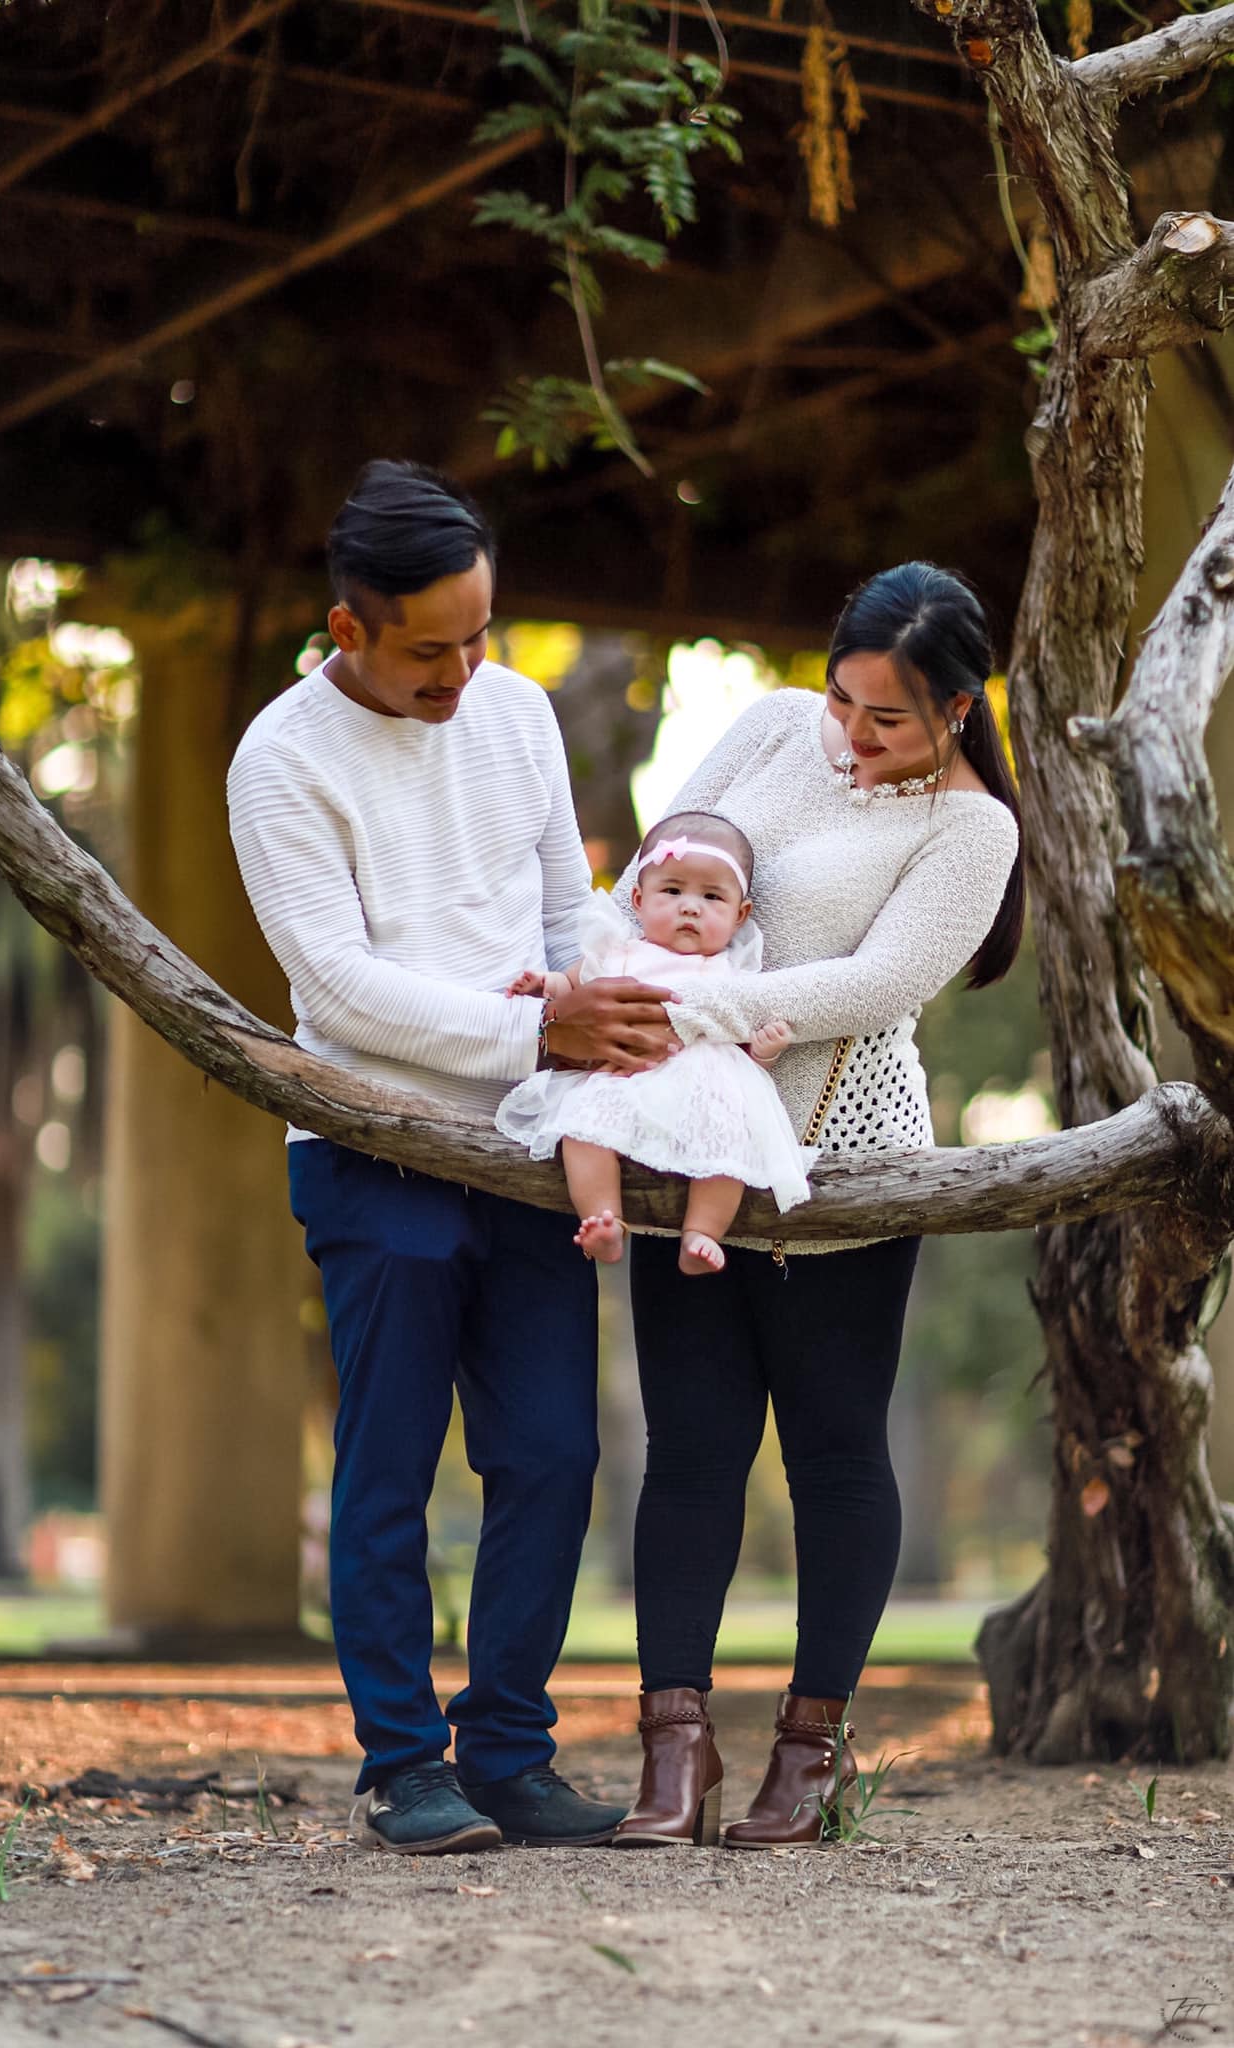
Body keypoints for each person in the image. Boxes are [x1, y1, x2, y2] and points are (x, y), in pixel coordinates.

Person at [227, 459, 675, 1855]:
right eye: (430, 649)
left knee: (548, 1455)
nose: (463, 672)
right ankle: (398, 1767)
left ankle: (506, 1755)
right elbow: (339, 991)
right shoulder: (280, 759)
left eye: (479, 635)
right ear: (347, 628)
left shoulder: (519, 712)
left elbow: (562, 915)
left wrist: (620, 998)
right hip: (369, 1148)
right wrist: (542, 1032)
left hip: (534, 1149)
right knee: (391, 1464)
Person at [612, 562, 1024, 1850]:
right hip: (680, 1147)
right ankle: (672, 1753)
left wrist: (675, 1006)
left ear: (956, 709)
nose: (847, 735)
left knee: (834, 1453)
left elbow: (869, 982)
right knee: (687, 1448)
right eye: (843, 696)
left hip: (838, 1165)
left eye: (886, 717)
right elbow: (658, 868)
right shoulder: (774, 726)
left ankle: (810, 1748)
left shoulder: (973, 829)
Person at [496, 811, 813, 1274]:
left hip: (706, 1089)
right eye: (673, 891)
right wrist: (547, 985)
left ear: (739, 915)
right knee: (582, 1129)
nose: (690, 907)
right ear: (639, 900)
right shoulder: (620, 952)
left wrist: (763, 1049)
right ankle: (604, 1221)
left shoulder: (731, 973)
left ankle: (702, 1232)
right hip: (623, 1079)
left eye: (711, 897)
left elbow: (743, 1051)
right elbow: (577, 990)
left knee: (730, 1145)